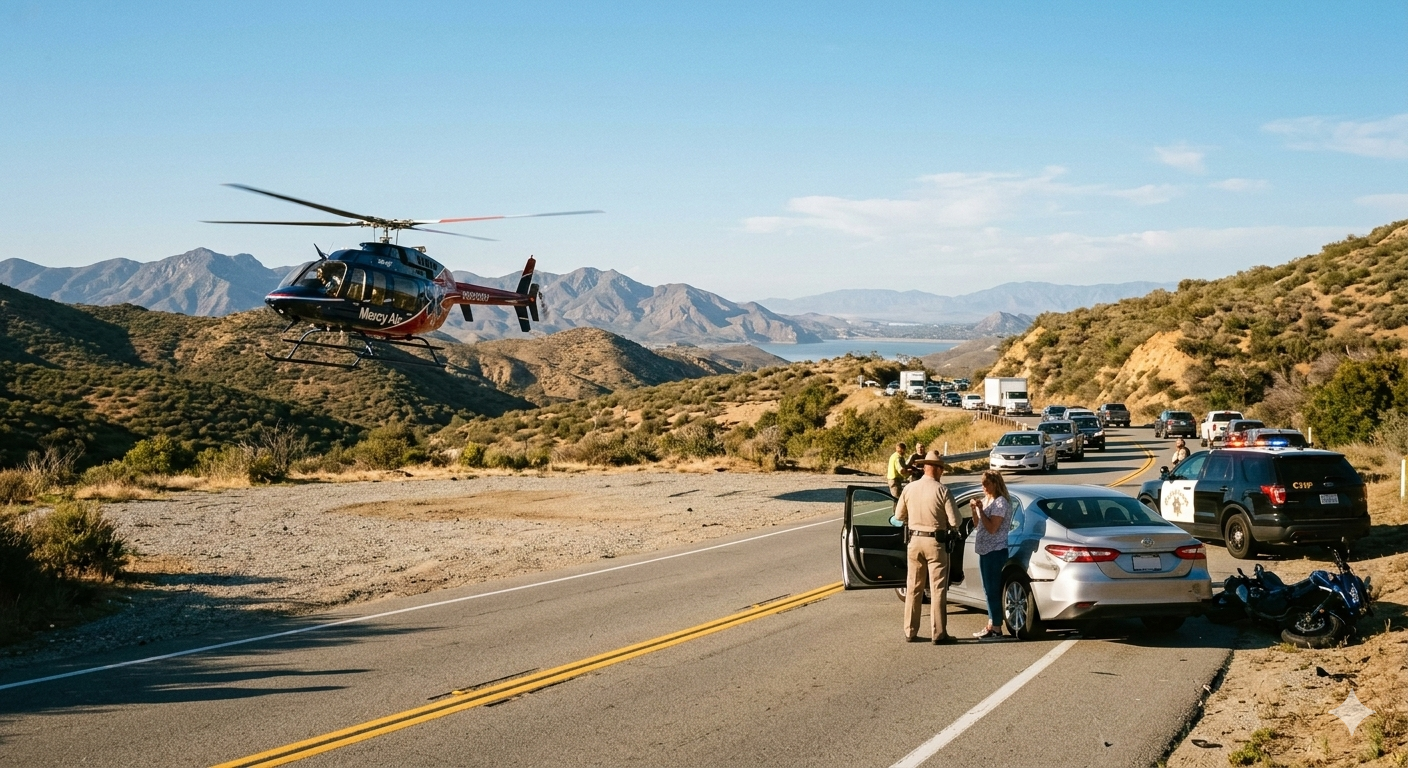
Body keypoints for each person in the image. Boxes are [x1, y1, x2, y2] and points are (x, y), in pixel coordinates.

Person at [896, 451, 961, 644]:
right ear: (938, 469)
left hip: (914, 540)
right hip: (935, 542)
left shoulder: (909, 488)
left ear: (925, 467)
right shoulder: (942, 491)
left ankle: (910, 630)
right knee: (938, 588)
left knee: (913, 587)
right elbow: (955, 520)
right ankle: (939, 633)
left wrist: (913, 521)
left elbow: (899, 516)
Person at [969, 470, 1012, 640]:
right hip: (984, 549)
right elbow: (978, 524)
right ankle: (991, 622)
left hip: (996, 549)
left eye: (986, 484)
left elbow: (993, 528)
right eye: (982, 484)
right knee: (987, 589)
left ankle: (996, 627)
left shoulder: (1000, 503)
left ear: (995, 483)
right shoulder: (988, 500)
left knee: (993, 589)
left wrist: (981, 510)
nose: (984, 487)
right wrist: (975, 510)